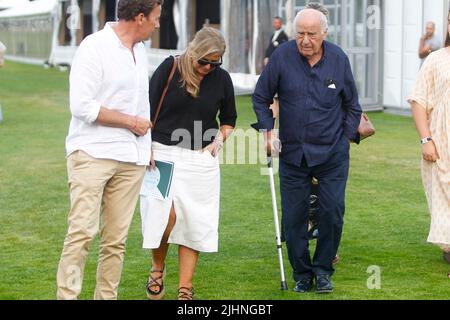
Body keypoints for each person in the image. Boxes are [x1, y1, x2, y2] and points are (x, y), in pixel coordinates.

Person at [56, 0, 163, 300]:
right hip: (91, 154)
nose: (157, 24)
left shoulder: (140, 52)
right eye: (155, 18)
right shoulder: (93, 47)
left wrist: (147, 146)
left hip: (132, 159)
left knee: (115, 242)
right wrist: (129, 122)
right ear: (140, 17)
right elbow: (80, 105)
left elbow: (142, 105)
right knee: (81, 234)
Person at [252, 9, 362, 294]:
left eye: (311, 34)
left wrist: (346, 138)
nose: (305, 40)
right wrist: (269, 130)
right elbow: (261, 96)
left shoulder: (338, 59)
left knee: (332, 211)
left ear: (324, 33)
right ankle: (302, 273)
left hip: (332, 156)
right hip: (293, 155)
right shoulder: (282, 57)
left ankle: (323, 270)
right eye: (300, 33)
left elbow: (352, 105)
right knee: (293, 218)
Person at [141, 27, 237, 300]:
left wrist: (217, 143)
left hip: (200, 160)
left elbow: (229, 119)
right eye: (203, 61)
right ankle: (157, 267)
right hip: (160, 153)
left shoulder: (222, 79)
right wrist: (144, 146)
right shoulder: (169, 68)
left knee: (194, 222)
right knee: (162, 217)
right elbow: (145, 109)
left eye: (214, 62)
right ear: (193, 51)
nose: (208, 67)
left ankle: (186, 287)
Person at [408, 10, 450, 278]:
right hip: (442, 143)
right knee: (444, 198)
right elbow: (419, 101)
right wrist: (426, 140)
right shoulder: (436, 60)